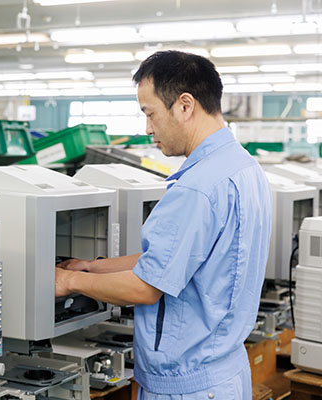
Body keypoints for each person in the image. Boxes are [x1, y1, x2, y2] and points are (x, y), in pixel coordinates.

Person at [55, 50, 272, 399]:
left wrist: (68, 281)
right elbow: (174, 261)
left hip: (187, 387)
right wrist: (92, 268)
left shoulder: (196, 188)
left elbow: (145, 288)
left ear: (185, 106)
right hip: (225, 374)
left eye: (150, 113)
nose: (148, 128)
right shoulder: (244, 168)